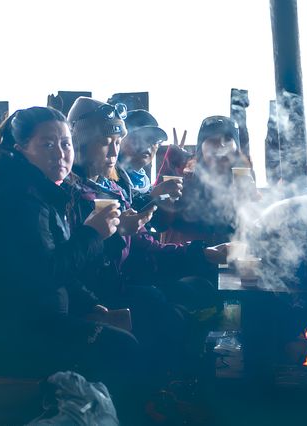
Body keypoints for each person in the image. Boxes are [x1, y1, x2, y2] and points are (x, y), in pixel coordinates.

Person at [0, 107, 149, 417]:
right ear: (20, 149)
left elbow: (53, 265)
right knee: (121, 350)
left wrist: (89, 305)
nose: (61, 153)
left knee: (131, 326)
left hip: (26, 321)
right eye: (47, 144)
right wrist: (93, 234)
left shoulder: (33, 189)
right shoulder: (15, 197)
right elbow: (45, 273)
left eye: (65, 143)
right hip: (3, 336)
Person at [65, 97, 227, 378]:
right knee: (160, 310)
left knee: (199, 290)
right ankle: (161, 396)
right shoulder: (70, 193)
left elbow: (143, 245)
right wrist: (119, 234)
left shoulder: (117, 183)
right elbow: (77, 264)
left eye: (118, 140)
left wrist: (202, 253)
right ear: (80, 141)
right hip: (93, 295)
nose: (114, 150)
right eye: (106, 141)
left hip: (124, 280)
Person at [163, 115, 259, 245]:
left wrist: (248, 201)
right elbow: (161, 223)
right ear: (200, 147)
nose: (220, 145)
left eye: (227, 138)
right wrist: (169, 167)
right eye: (212, 139)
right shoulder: (185, 178)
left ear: (237, 147)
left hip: (232, 257)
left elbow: (252, 227)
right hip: (190, 258)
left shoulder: (242, 178)